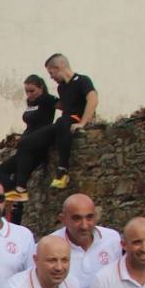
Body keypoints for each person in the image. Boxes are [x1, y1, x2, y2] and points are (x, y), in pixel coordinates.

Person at [0, 75, 60, 201]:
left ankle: (20, 188)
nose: (29, 94)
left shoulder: (48, 99)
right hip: (26, 147)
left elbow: (64, 105)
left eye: (32, 91)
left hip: (39, 144)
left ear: (41, 88)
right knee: (0, 171)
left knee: (20, 173)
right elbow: (30, 124)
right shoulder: (30, 102)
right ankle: (14, 191)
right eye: (27, 91)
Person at [38, 54, 98, 190]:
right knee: (33, 138)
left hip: (74, 120)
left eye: (51, 73)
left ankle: (63, 170)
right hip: (64, 123)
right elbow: (66, 105)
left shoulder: (82, 80)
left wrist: (82, 123)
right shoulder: (62, 88)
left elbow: (93, 99)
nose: (51, 77)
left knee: (62, 121)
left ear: (58, 68)